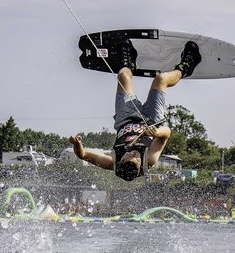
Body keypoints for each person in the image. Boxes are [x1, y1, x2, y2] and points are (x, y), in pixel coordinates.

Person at [69, 39, 202, 180]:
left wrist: (77, 144)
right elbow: (167, 133)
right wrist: (156, 132)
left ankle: (129, 63)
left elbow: (82, 155)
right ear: (140, 167)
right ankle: (186, 67)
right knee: (161, 79)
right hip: (152, 120)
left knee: (123, 76)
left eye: (130, 157)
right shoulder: (148, 160)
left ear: (121, 161)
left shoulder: (112, 161)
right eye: (137, 160)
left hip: (125, 118)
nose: (136, 156)